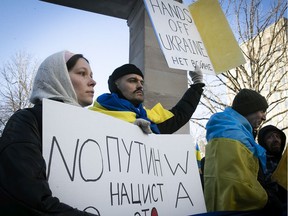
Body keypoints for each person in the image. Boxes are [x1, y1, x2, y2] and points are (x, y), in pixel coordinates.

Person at [0, 50, 97, 215]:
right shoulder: (26, 121)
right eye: (82, 73)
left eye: (91, 75)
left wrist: (132, 132)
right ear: (59, 78)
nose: (93, 82)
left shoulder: (93, 127)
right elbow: (30, 200)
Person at [204, 88, 283, 215]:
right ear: (249, 109)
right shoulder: (233, 135)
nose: (264, 117)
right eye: (262, 111)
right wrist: (268, 200)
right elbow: (238, 184)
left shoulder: (229, 130)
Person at [90, 63, 204, 134]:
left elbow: (179, 115)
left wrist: (197, 83)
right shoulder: (93, 115)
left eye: (142, 82)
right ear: (116, 85)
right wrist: (127, 132)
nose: (140, 86)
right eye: (132, 80)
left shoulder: (148, 118)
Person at [258, 125, 287, 212]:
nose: (275, 139)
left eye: (277, 136)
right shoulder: (258, 162)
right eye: (269, 137)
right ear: (263, 143)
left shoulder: (285, 161)